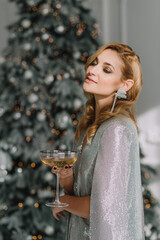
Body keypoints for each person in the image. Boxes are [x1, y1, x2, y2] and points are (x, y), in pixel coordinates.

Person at [51, 42, 145, 240]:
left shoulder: (117, 129)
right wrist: (67, 178)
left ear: (125, 84)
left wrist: (62, 200)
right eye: (94, 63)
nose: (92, 70)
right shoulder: (90, 127)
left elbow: (105, 208)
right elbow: (83, 192)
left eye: (106, 69)